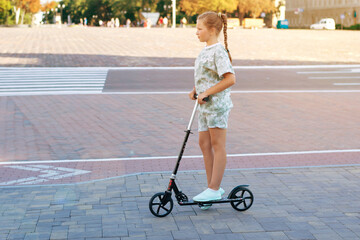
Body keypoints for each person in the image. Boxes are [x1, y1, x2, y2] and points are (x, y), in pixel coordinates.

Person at [188, 11, 236, 209]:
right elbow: (207, 77)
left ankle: (214, 188)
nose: (196, 32)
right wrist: (195, 90)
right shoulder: (204, 51)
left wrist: (206, 92)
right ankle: (211, 188)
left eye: (199, 29)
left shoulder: (218, 51)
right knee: (203, 144)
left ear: (212, 30)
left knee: (217, 145)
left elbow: (230, 78)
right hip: (204, 106)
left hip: (217, 106)